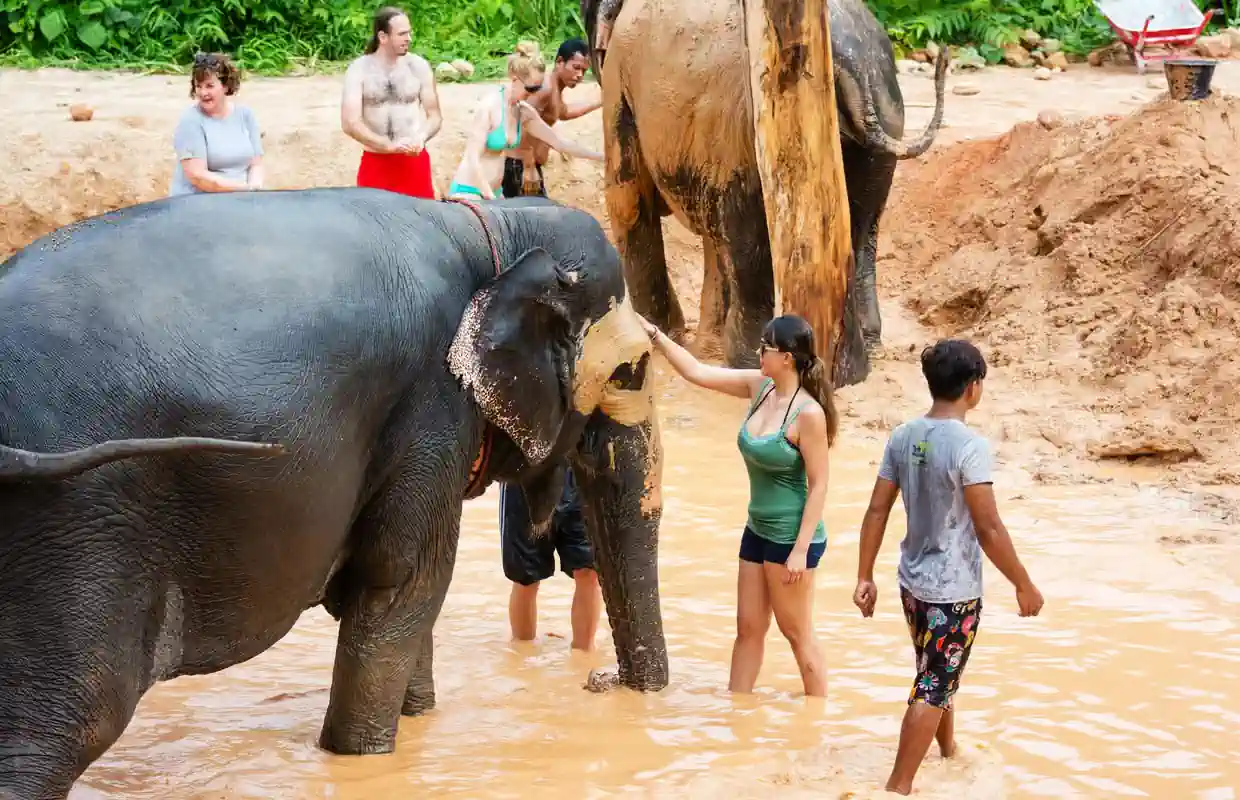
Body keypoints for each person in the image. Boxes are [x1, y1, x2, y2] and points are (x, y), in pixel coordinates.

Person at [851, 339, 1045, 796]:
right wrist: (1024, 584)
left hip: (911, 581)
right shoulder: (970, 446)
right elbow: (989, 527)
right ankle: (898, 787)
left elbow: (877, 510)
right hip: (953, 591)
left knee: (934, 669)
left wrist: (864, 574)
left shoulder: (903, 436)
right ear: (973, 389)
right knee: (936, 682)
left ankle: (948, 752)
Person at [639, 312, 835, 697]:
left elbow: (820, 484)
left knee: (796, 633)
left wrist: (799, 550)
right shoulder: (759, 386)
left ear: (788, 359)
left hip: (791, 537)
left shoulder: (808, 414)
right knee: (747, 628)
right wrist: (657, 336)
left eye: (767, 347)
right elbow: (696, 372)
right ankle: (738, 714)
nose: (759, 352)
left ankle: (818, 719)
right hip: (757, 529)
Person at [446, 41, 603, 201]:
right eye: (530, 89)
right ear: (514, 79)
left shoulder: (523, 110)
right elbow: (472, 158)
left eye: (537, 89)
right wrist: (490, 197)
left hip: (494, 194)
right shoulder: (489, 106)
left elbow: (559, 143)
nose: (532, 95)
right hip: (470, 191)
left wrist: (601, 157)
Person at [340, 6, 443, 199]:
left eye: (409, 33)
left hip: (413, 160)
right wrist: (386, 146)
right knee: (373, 223)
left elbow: (435, 116)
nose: (409, 39)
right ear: (383, 37)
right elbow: (349, 122)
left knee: (420, 222)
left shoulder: (418, 66)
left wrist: (421, 137)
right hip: (376, 161)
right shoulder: (359, 69)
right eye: (402, 34)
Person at [500, 467, 602, 652]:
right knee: (525, 576)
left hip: (582, 468)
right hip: (525, 468)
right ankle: (523, 654)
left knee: (589, 569)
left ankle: (584, 654)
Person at [502, 38, 602, 198]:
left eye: (584, 71)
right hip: (520, 167)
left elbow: (564, 112)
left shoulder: (554, 90)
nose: (579, 75)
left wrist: (600, 101)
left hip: (526, 166)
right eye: (576, 68)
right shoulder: (546, 88)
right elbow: (522, 123)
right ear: (559, 62)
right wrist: (528, 166)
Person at [168, 52, 264, 197]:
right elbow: (198, 176)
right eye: (198, 86)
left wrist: (255, 191)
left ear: (225, 86)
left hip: (241, 199)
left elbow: (256, 164)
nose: (203, 92)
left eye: (209, 86)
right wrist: (245, 190)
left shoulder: (246, 115)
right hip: (197, 203)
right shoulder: (190, 121)